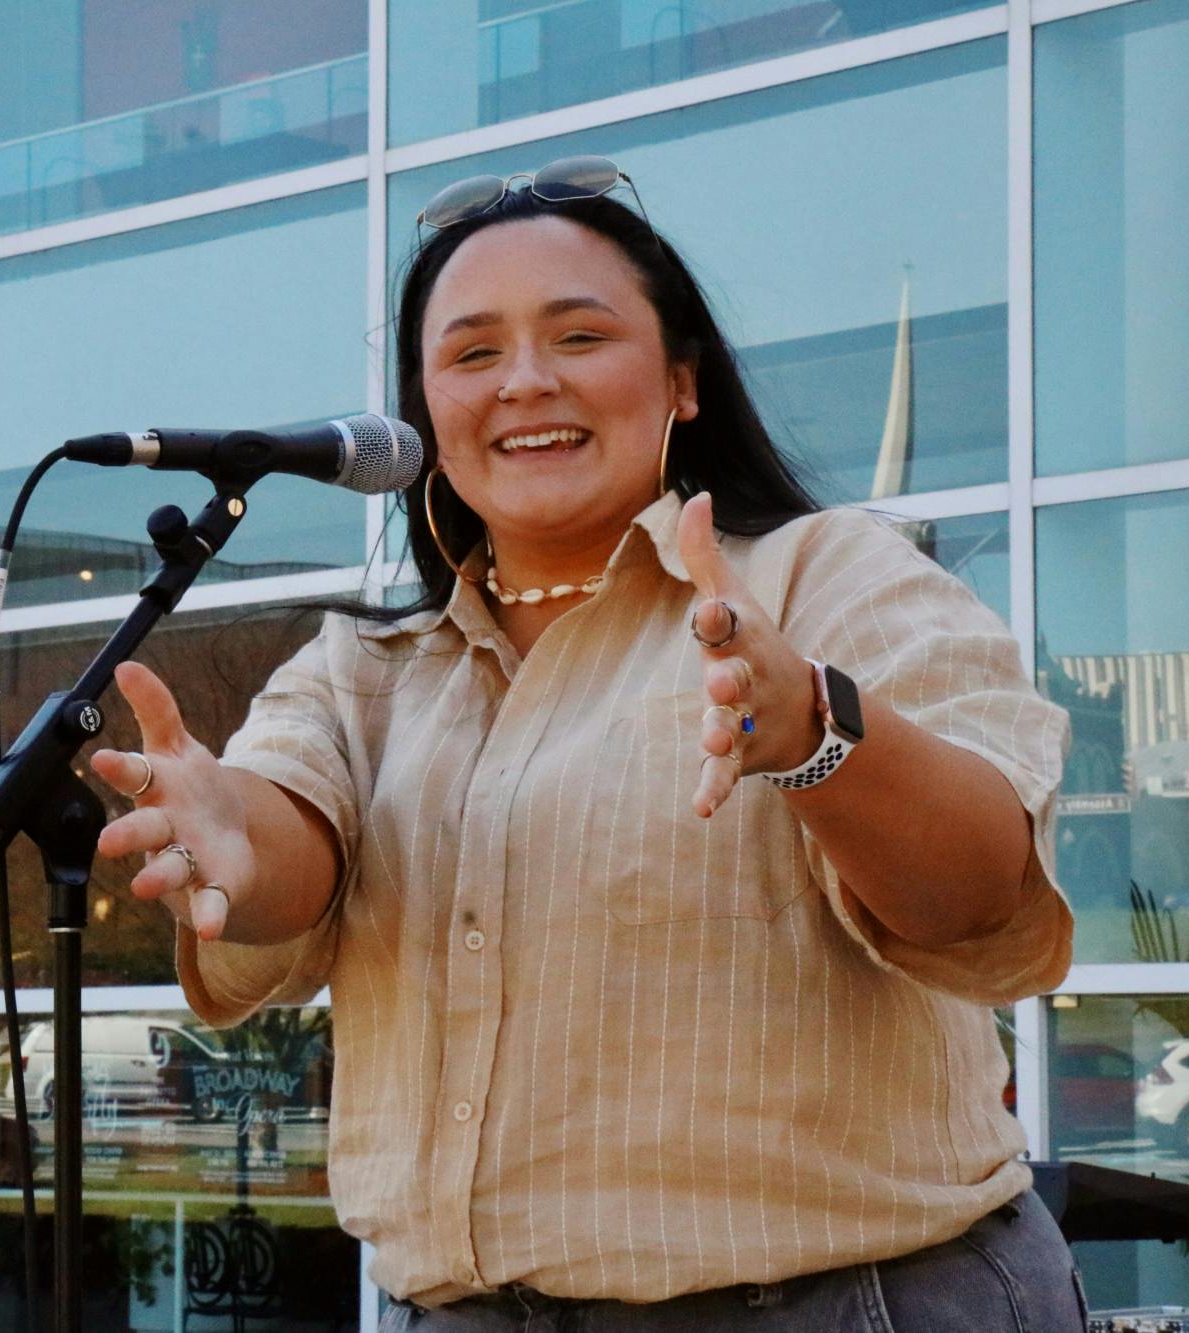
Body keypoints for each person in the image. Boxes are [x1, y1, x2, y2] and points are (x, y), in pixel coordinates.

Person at [90, 157, 1082, 1330]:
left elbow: (981, 898)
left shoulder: (826, 575)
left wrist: (813, 731)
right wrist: (229, 843)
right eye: (470, 354)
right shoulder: (367, 666)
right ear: (420, 421)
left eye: (577, 336)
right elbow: (287, 832)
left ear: (681, 381)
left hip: (838, 1299)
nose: (522, 382)